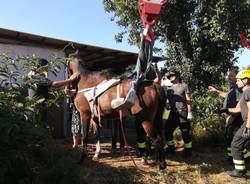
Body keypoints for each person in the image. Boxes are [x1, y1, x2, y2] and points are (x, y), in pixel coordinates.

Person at [209, 69, 246, 162]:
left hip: (237, 118)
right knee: (229, 138)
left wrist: (232, 117)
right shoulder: (233, 87)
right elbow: (228, 95)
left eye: (231, 76)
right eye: (228, 76)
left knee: (235, 141)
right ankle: (231, 158)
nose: (229, 77)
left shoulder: (239, 89)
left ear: (237, 77)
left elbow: (240, 105)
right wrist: (217, 91)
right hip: (233, 116)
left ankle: (242, 159)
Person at [28, 58, 79, 126]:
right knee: (38, 125)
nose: (47, 70)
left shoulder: (34, 77)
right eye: (46, 68)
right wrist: (71, 79)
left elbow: (47, 89)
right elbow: (55, 84)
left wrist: (65, 92)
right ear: (41, 67)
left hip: (39, 106)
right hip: (37, 108)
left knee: (40, 125)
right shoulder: (37, 77)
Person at [225, 69, 250, 178]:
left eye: (239, 80)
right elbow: (238, 109)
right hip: (247, 123)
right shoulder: (245, 92)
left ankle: (240, 172)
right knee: (243, 145)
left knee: (235, 144)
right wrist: (225, 110)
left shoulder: (248, 91)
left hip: (247, 123)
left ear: (246, 80)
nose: (236, 81)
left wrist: (248, 127)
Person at [164, 71, 193, 157]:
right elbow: (168, 102)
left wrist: (190, 113)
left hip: (183, 112)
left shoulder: (184, 86)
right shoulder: (169, 89)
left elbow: (189, 100)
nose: (170, 77)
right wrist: (167, 105)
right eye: (169, 76)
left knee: (185, 132)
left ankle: (188, 152)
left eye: (172, 75)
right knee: (167, 131)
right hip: (173, 113)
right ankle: (171, 148)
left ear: (177, 76)